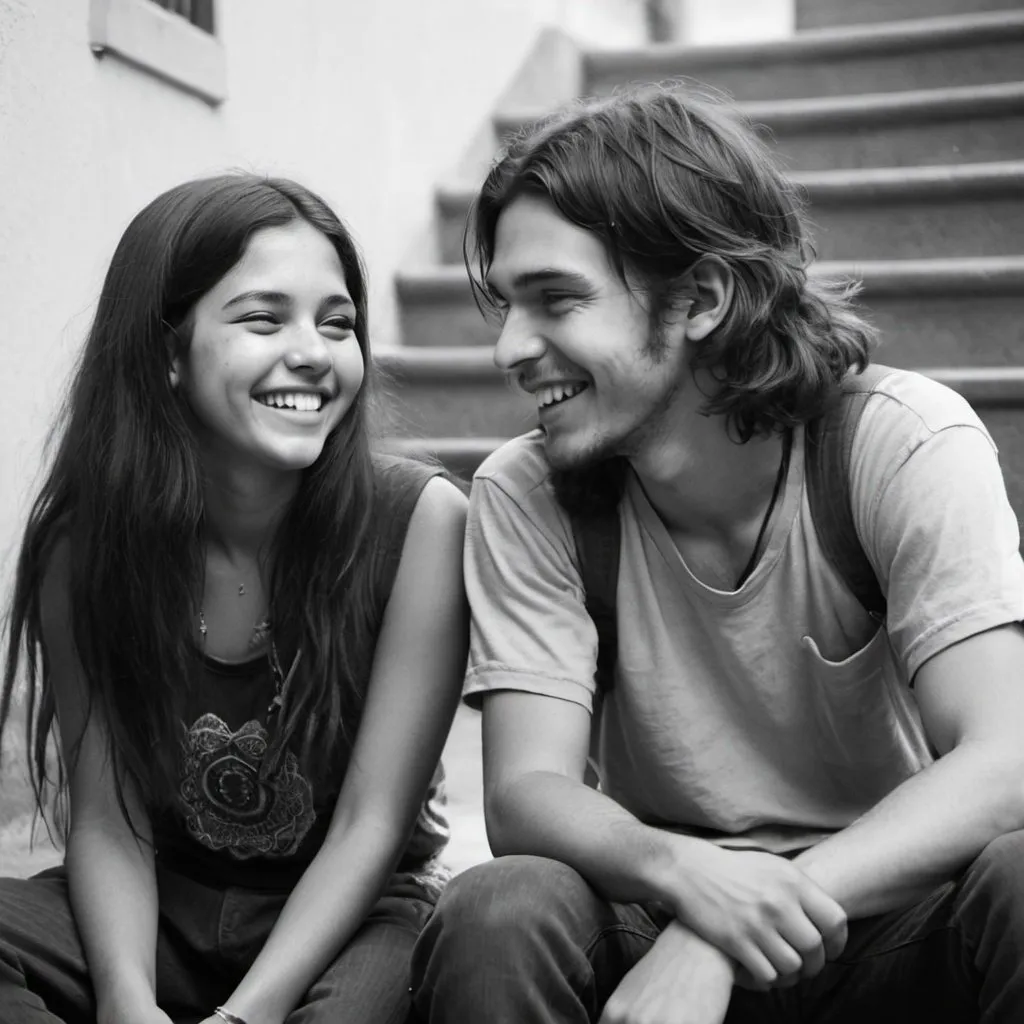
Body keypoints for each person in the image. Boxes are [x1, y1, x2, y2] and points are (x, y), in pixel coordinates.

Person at [409, 86, 1024, 1024]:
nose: (509, 348)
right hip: (650, 919)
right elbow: (528, 790)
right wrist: (691, 884)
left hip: (881, 915)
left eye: (556, 300)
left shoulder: (898, 445)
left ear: (700, 297)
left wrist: (727, 925)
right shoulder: (529, 494)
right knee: (499, 907)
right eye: (505, 304)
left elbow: (1006, 759)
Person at [0, 173, 468, 1024]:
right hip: (165, 912)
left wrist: (243, 1018)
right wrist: (126, 1001)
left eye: (338, 323)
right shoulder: (84, 545)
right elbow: (108, 817)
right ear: (167, 354)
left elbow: (371, 824)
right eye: (263, 319)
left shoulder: (419, 523)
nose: (314, 352)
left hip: (357, 915)